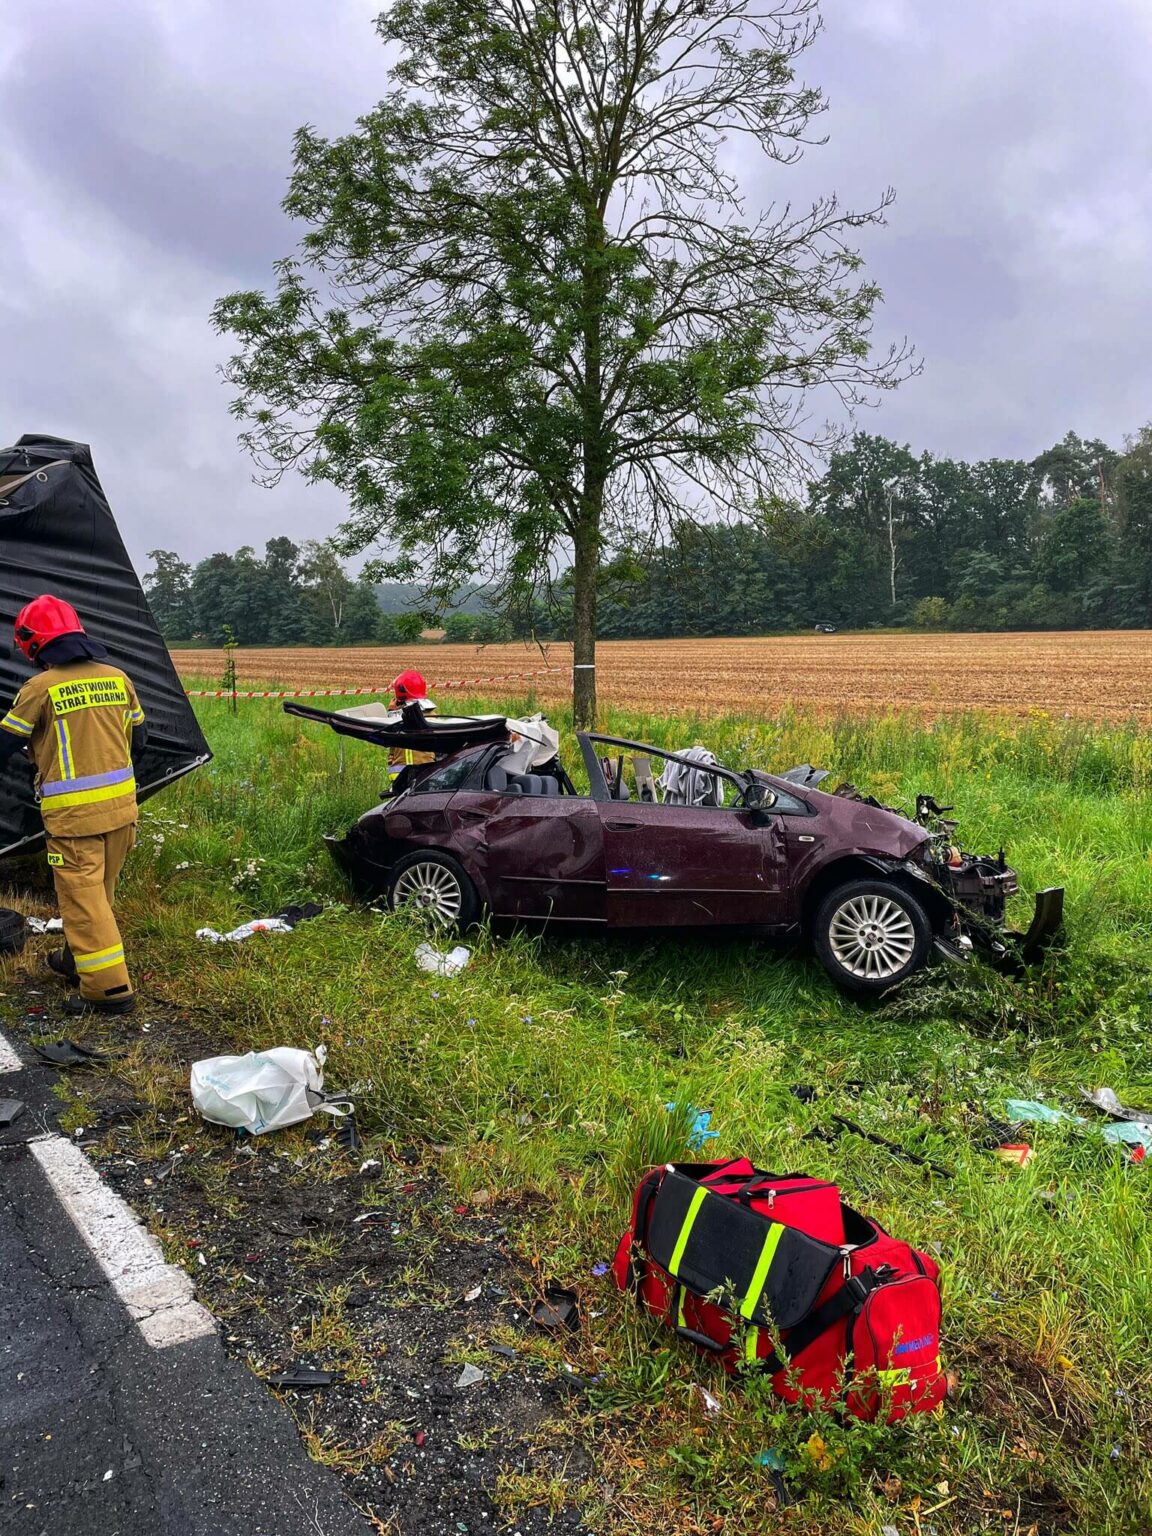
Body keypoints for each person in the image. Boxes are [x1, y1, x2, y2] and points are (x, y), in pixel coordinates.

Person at [0, 595, 146, 1015]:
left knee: (82, 901)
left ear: (34, 643)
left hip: (73, 820)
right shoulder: (118, 679)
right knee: (97, 895)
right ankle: (76, 959)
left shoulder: (40, 688)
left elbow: (5, 743)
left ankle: (108, 990)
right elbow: (141, 740)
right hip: (122, 811)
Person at [388, 669, 437, 786]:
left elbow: (390, 728)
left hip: (404, 775)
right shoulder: (432, 714)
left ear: (401, 692)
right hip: (428, 771)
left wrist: (391, 712)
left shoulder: (400, 717)